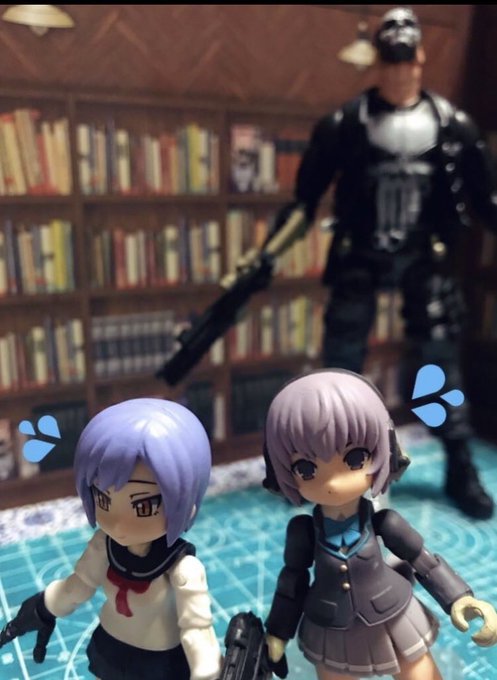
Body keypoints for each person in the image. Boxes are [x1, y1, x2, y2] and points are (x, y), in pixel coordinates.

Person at [269, 7, 497, 519]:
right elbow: (304, 201)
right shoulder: (345, 124)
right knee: (341, 367)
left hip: (426, 257)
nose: (398, 71)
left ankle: (458, 463)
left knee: (438, 364)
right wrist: (264, 257)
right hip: (360, 255)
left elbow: (486, 201)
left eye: (405, 60)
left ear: (420, 59)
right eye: (389, 60)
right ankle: (328, 465)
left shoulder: (452, 126)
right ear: (378, 62)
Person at [263, 369, 497, 680]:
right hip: (330, 626)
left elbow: (423, 561)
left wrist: (459, 598)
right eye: (306, 469)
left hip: (392, 614)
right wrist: (278, 631)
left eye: (355, 459)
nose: (333, 483)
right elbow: (292, 581)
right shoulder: (303, 532)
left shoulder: (387, 523)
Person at [0, 398, 222, 680]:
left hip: (160, 664)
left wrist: (206, 670)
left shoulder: (183, 569)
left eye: (144, 505)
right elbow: (77, 588)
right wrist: (41, 608)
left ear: (186, 503)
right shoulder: (104, 546)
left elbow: (197, 629)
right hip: (111, 650)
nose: (118, 523)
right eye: (103, 499)